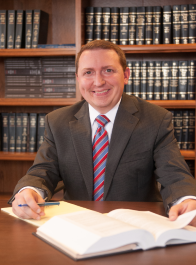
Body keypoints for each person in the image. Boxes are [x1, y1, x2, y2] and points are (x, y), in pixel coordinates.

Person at [10, 40, 196, 225]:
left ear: (125, 75)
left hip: (135, 227)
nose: (98, 82)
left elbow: (174, 174)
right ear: (78, 79)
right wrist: (30, 191)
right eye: (88, 72)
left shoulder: (155, 119)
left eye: (108, 70)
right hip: (78, 225)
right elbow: (43, 171)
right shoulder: (58, 121)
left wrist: (185, 200)